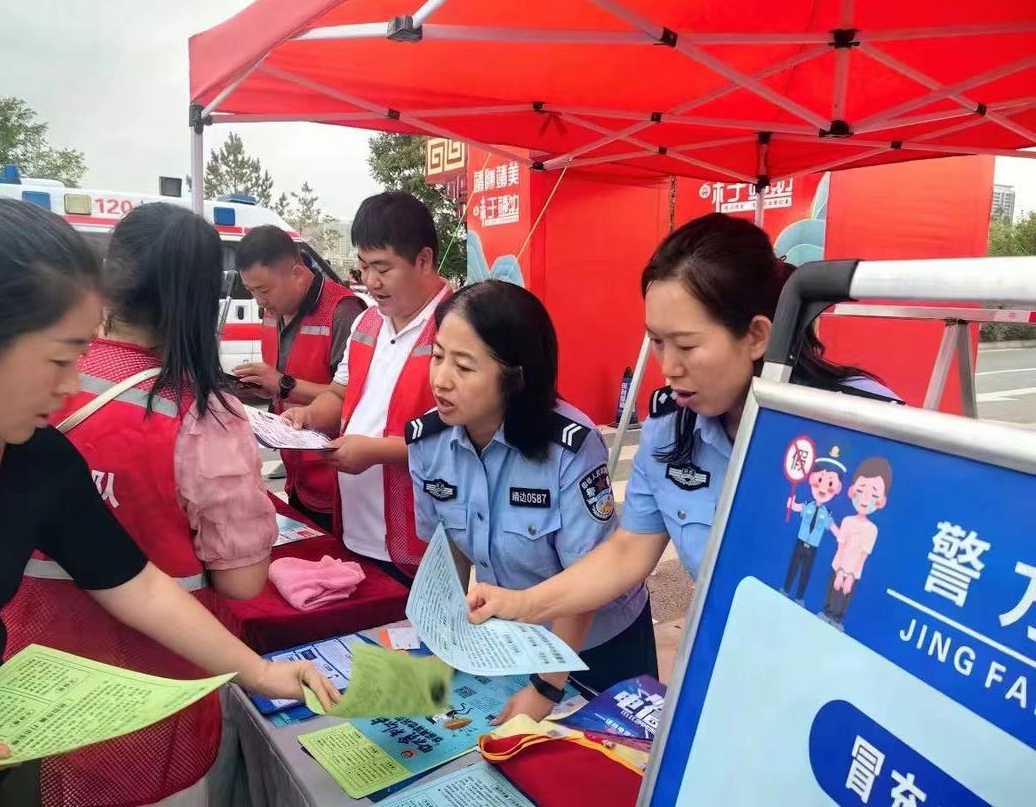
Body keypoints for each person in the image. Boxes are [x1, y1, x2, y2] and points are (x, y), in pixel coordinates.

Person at [0, 200, 339, 806]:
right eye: (61, 358)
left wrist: (262, 673)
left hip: (2, 744)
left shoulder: (34, 455)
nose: (71, 384)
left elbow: (134, 583)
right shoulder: (200, 413)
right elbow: (237, 582)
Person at [463, 213, 897, 635]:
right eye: (656, 342)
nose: (668, 368)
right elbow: (630, 549)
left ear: (757, 336)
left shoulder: (867, 422)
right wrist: (525, 602)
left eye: (686, 345)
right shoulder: (668, 435)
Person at [407, 280, 656, 716]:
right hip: (510, 637)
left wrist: (546, 688)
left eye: (464, 367)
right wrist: (443, 645)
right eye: (438, 356)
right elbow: (448, 555)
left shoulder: (570, 447)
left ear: (514, 377)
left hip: (597, 643)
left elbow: (588, 579)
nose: (441, 380)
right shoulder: (428, 442)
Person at [283, 192, 451, 583]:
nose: (370, 282)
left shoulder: (456, 327)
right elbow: (340, 395)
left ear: (423, 260)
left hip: (422, 543)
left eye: (382, 268)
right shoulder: (367, 324)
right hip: (355, 528)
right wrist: (306, 416)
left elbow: (462, 435)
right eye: (362, 267)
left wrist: (375, 451)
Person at [233, 226, 365, 527]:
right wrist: (265, 387)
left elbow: (353, 398)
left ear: (296, 273)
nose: (258, 302)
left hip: (337, 480)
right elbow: (282, 380)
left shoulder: (343, 312)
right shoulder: (271, 311)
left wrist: (283, 384)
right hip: (296, 476)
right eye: (251, 291)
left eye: (263, 290)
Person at [821, 456, 892, 630]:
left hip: (854, 571)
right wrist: (839, 570)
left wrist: (851, 575)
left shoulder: (872, 529)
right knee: (833, 590)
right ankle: (826, 613)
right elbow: (841, 546)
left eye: (874, 493)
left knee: (846, 595)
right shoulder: (846, 521)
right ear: (852, 491)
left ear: (881, 500)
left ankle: (837, 619)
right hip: (838, 565)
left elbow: (863, 555)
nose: (865, 498)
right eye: (861, 489)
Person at [783, 446, 847, 605]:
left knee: (805, 573)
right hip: (800, 542)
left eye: (830, 484)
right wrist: (791, 504)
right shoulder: (809, 506)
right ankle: (785, 589)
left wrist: (841, 536)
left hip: (812, 548)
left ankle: (799, 597)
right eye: (819, 481)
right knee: (793, 567)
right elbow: (798, 507)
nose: (823, 489)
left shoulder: (826, 513)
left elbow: (832, 527)